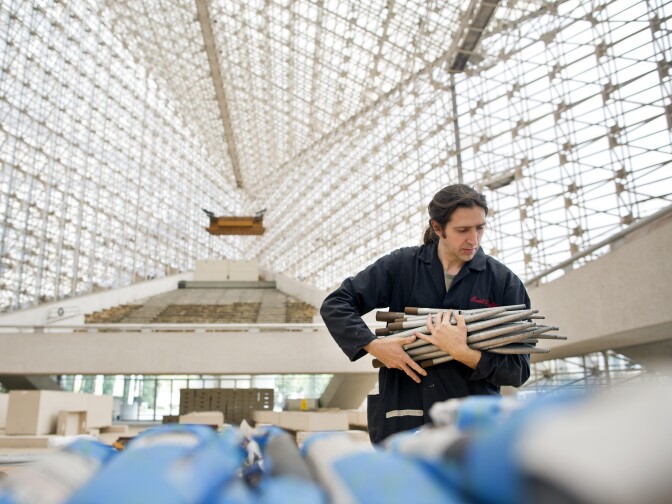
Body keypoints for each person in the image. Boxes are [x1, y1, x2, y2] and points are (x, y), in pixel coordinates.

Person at [320, 184, 531, 443]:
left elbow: (518, 370)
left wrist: (463, 353)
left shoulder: (503, 282)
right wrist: (374, 346)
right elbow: (337, 303)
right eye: (462, 230)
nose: (473, 239)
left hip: (473, 430)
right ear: (437, 227)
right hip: (404, 418)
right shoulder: (401, 267)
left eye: (480, 228)